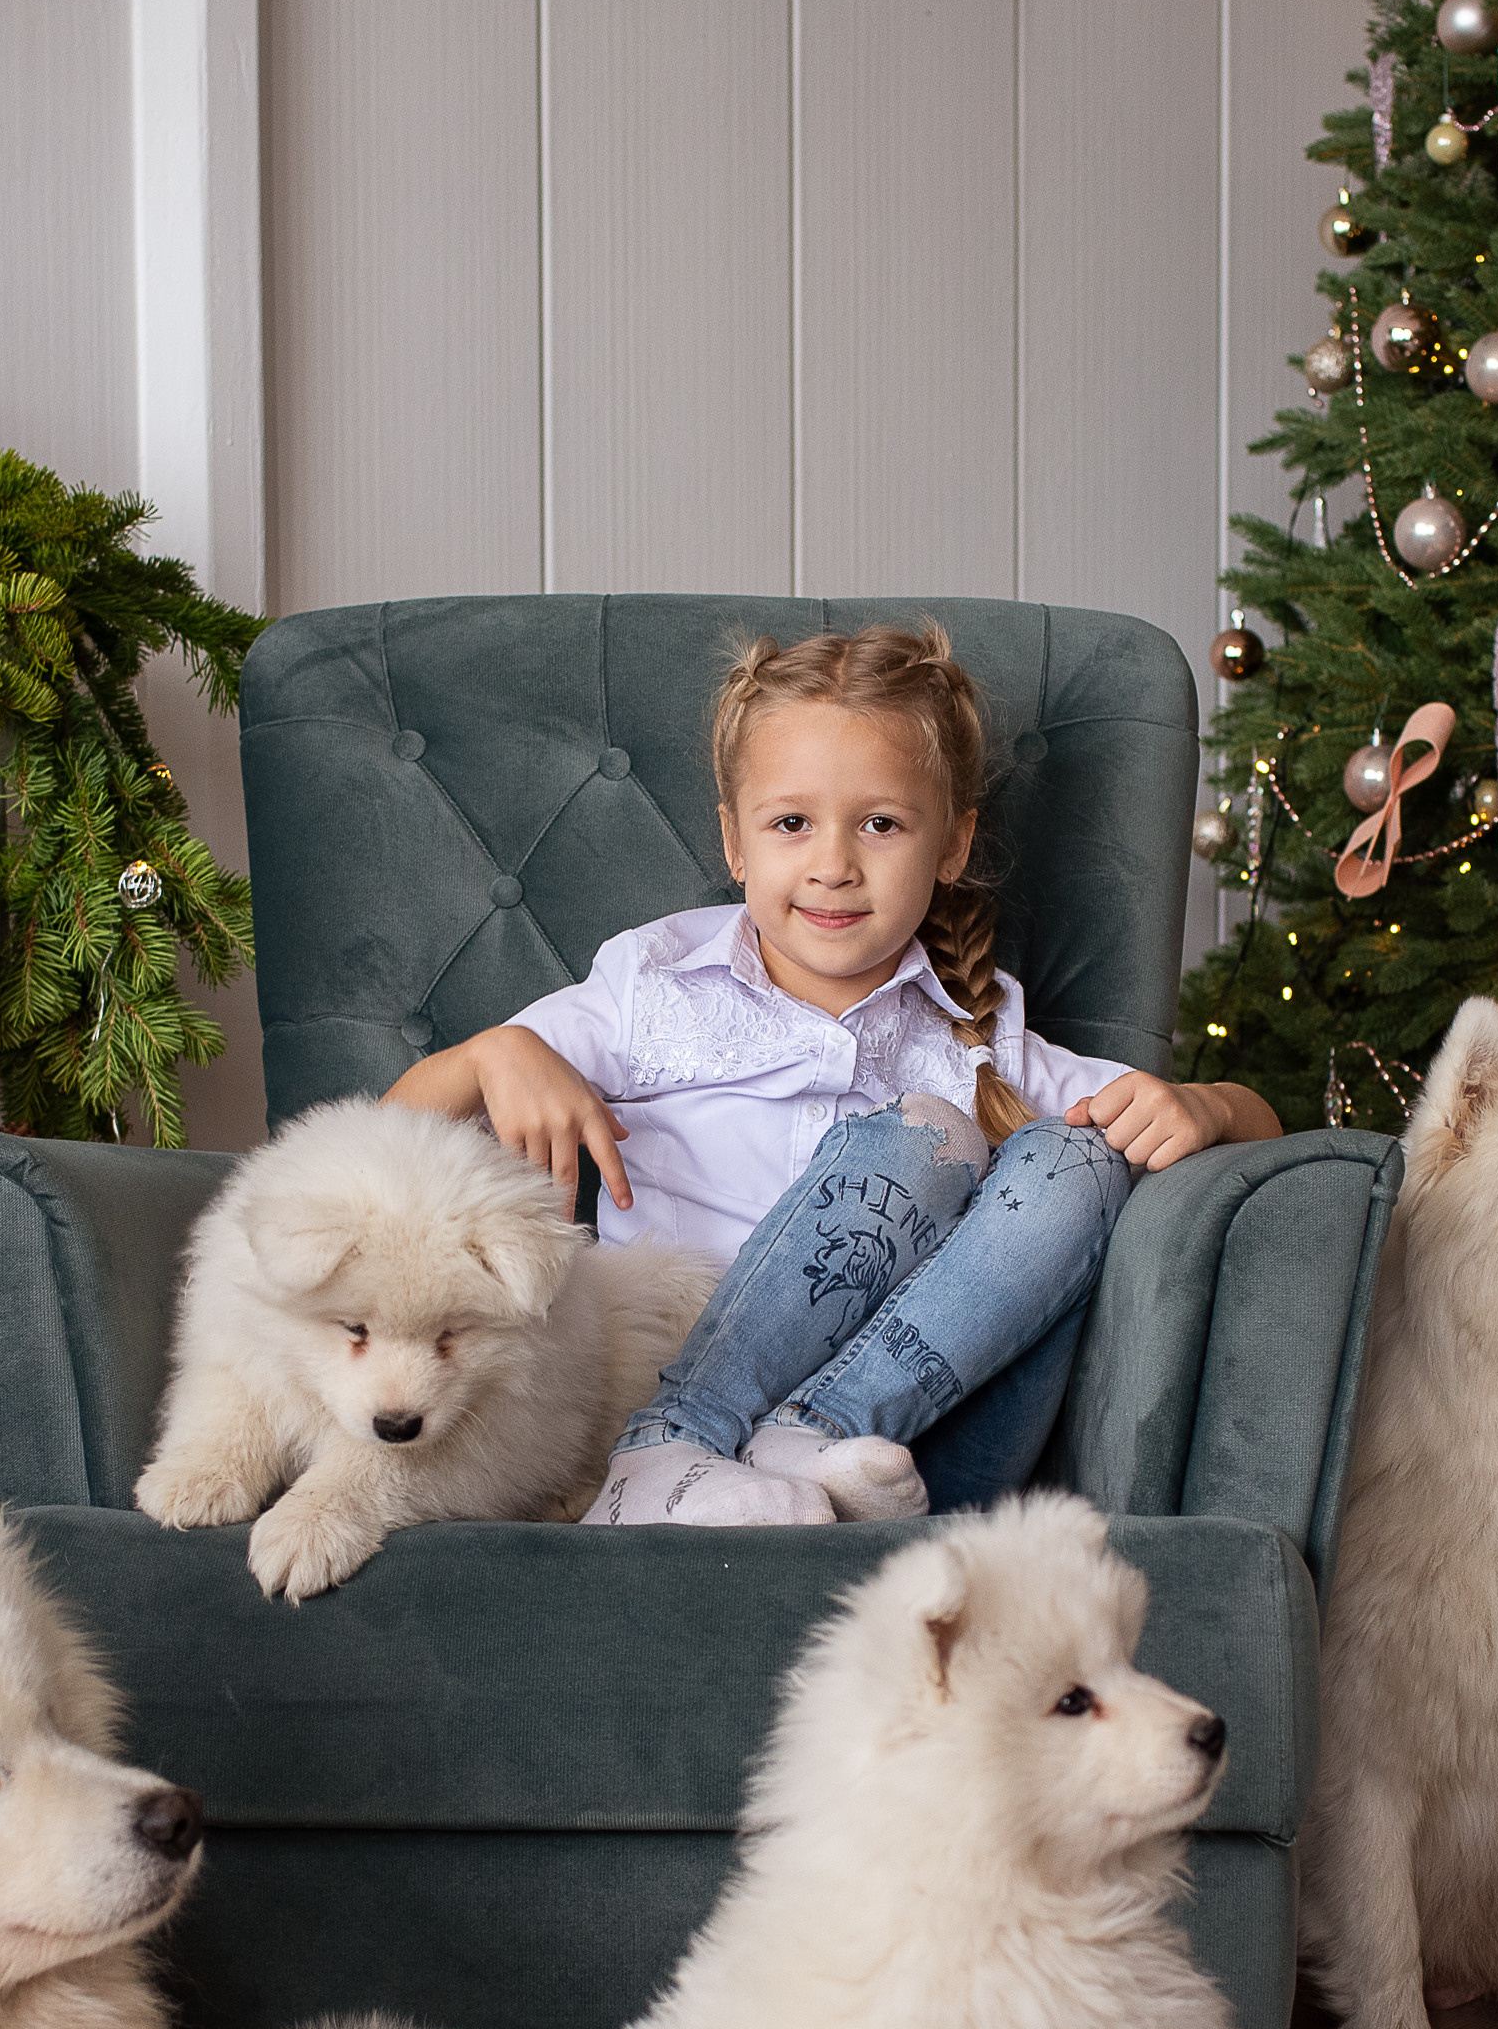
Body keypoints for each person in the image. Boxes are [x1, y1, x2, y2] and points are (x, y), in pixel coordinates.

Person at [386, 624, 1280, 1527]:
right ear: (736, 842)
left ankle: (821, 1427)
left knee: (1078, 1159)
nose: (833, 865)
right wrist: (493, 1052)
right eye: (791, 823)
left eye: (881, 824)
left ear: (952, 848)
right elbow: (388, 1134)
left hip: (900, 1452)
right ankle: (671, 1450)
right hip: (658, 1404)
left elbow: (1262, 1132)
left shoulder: (978, 1032)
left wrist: (1208, 1106)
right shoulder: (655, 988)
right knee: (923, 1136)